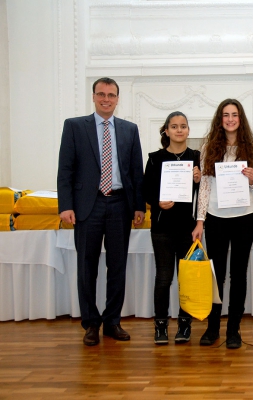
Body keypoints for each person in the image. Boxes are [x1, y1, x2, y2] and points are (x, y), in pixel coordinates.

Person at [57, 77, 145, 346]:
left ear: (118, 99)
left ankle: (112, 321)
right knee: (87, 267)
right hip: (88, 205)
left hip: (120, 204)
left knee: (117, 266)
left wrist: (139, 206)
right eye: (101, 94)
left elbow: (136, 171)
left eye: (111, 95)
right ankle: (91, 323)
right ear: (93, 97)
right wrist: (66, 205)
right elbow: (65, 169)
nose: (106, 99)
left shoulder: (130, 129)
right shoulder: (74, 127)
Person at [191, 99, 253, 349]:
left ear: (240, 119)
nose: (230, 119)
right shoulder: (209, 146)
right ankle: (212, 328)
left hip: (244, 217)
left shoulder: (251, 146)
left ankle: (234, 330)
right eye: (225, 115)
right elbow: (205, 187)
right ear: (220, 120)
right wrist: (200, 220)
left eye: (235, 115)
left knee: (239, 275)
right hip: (216, 217)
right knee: (216, 275)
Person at [142, 111, 201, 345]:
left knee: (186, 279)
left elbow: (204, 192)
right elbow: (145, 190)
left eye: (183, 126)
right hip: (162, 227)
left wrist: (198, 179)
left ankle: (185, 325)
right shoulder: (155, 158)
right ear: (166, 131)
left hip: (188, 228)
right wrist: (157, 201)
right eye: (174, 127)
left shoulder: (197, 157)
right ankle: (161, 326)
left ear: (188, 130)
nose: (179, 130)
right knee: (164, 278)